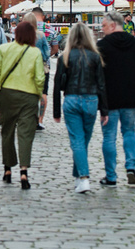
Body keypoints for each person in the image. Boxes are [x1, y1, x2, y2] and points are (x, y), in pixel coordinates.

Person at [52, 22, 108, 193]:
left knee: (77, 141)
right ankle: (81, 177)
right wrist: (104, 110)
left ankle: (81, 177)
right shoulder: (95, 57)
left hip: (71, 99)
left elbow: (56, 85)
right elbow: (101, 85)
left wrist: (56, 110)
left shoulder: (65, 57)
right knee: (83, 141)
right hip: (91, 100)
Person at [97, 11, 135, 188]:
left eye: (103, 26)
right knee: (129, 132)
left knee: (109, 137)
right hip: (131, 96)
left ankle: (111, 176)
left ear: (112, 25)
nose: (102, 29)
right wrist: (134, 84)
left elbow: (97, 76)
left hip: (109, 98)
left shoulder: (102, 46)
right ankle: (131, 168)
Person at [0, 21, 45, 190]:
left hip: (7, 94)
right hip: (28, 96)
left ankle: (7, 169)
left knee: (7, 130)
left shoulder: (3, 49)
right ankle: (23, 172)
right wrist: (39, 95)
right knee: (25, 133)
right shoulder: (35, 52)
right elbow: (39, 78)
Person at [24, 12, 51, 131]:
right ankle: (40, 120)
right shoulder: (40, 35)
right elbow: (47, 52)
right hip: (41, 67)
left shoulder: (22, 36)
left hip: (26, 67)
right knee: (43, 93)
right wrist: (43, 58)